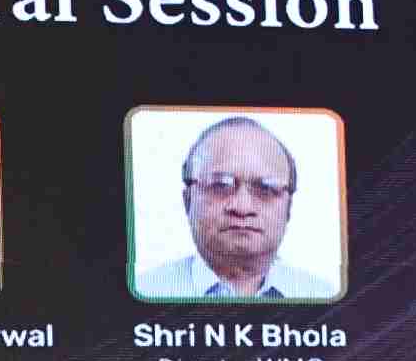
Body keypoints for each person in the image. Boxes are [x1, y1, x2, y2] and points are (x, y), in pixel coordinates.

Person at [137, 117, 337, 299]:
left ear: (289, 207)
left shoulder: (324, 298)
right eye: (220, 185)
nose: (242, 207)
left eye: (266, 189)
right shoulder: (145, 293)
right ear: (188, 200)